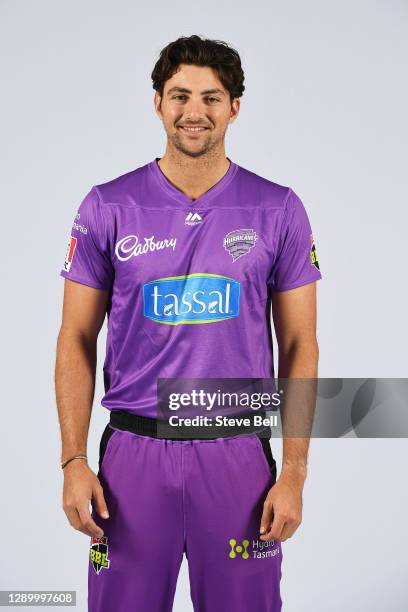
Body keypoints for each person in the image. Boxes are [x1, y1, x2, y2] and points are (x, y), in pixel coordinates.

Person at [55, 34, 322, 612]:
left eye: (211, 97)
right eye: (180, 96)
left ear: (234, 107)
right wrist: (74, 461)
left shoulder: (277, 209)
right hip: (132, 456)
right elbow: (75, 338)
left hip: (238, 459)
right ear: (158, 103)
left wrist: (295, 472)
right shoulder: (108, 205)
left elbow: (301, 345)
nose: (194, 112)